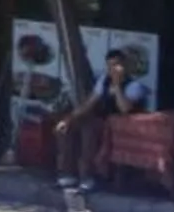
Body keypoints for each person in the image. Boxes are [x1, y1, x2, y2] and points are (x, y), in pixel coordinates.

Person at [54, 49, 149, 189]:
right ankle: (68, 174)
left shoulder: (135, 86)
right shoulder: (104, 81)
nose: (112, 70)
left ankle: (87, 176)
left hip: (120, 125)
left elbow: (124, 109)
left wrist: (117, 86)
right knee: (70, 128)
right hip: (100, 119)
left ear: (125, 66)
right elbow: (89, 103)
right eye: (110, 66)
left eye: (116, 65)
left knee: (90, 130)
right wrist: (69, 119)